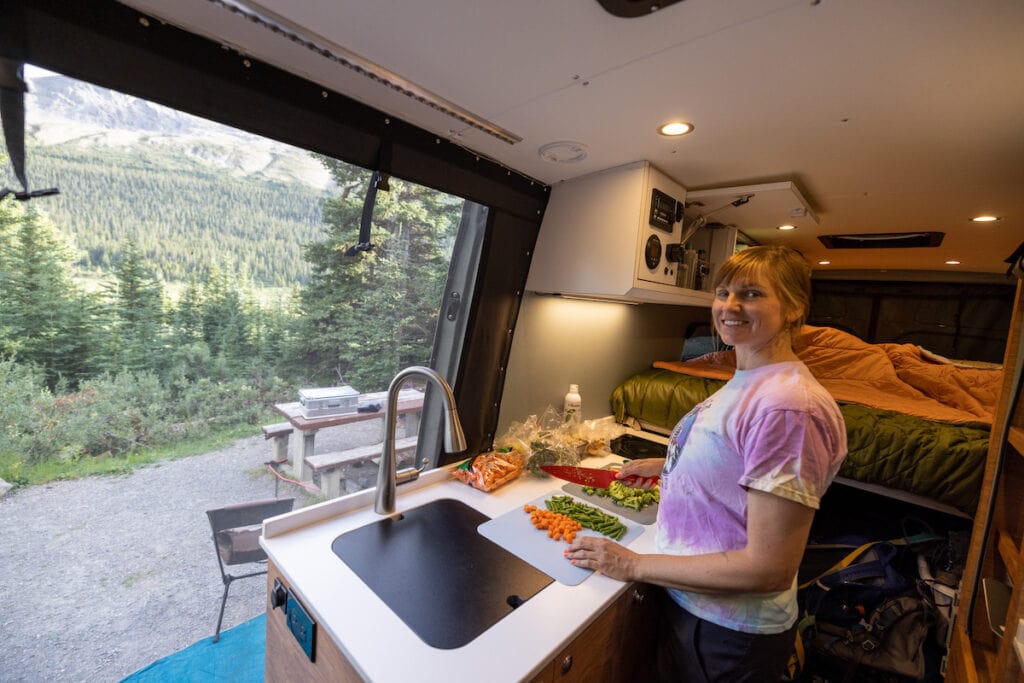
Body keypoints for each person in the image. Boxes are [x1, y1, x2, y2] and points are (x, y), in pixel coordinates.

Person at [565, 245, 847, 682]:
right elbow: (738, 457)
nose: (729, 306)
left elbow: (768, 568)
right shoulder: (753, 378)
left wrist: (631, 564)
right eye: (723, 292)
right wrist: (672, 465)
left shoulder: (789, 408)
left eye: (751, 294)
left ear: (794, 308)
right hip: (693, 602)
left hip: (728, 632)